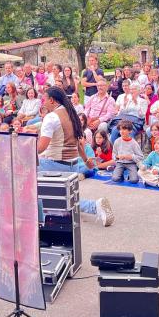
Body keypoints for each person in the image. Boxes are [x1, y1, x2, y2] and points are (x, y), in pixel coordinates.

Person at [37, 87, 114, 226]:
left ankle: (93, 206)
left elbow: (41, 147)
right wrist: (85, 160)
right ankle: (93, 206)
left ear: (52, 100)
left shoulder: (51, 117)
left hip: (54, 164)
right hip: (72, 165)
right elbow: (78, 142)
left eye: (44, 100)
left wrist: (22, 151)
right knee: (63, 198)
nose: (43, 103)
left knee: (34, 187)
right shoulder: (72, 114)